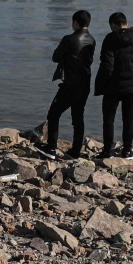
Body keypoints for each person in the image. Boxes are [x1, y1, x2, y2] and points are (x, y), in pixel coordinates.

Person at [35, 10, 95, 160]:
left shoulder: (69, 39)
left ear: (76, 22)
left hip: (70, 85)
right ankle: (75, 151)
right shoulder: (92, 40)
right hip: (84, 85)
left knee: (53, 114)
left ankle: (51, 148)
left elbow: (55, 57)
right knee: (78, 117)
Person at [94, 12, 133, 160]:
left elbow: (107, 64)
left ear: (113, 25)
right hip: (132, 85)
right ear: (126, 22)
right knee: (128, 120)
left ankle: (107, 151)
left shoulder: (111, 39)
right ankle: (127, 151)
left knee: (108, 119)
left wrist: (102, 84)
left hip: (113, 86)